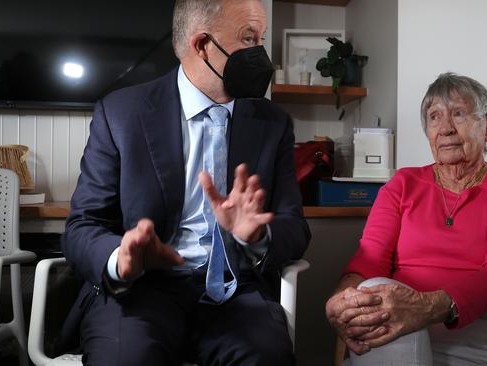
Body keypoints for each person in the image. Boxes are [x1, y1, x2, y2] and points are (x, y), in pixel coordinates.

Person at [60, 1, 310, 365]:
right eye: (249, 38)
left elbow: (296, 228)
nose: (260, 53)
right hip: (143, 291)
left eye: (261, 39)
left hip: (236, 292)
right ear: (202, 45)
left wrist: (257, 236)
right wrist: (121, 258)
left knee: (268, 356)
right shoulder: (121, 114)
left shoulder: (273, 123)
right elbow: (82, 227)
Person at [326, 73, 487, 365]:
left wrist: (424, 307)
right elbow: (368, 261)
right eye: (434, 117)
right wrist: (342, 301)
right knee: (369, 291)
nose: (446, 129)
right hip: (402, 324)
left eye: (459, 114)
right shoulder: (403, 184)